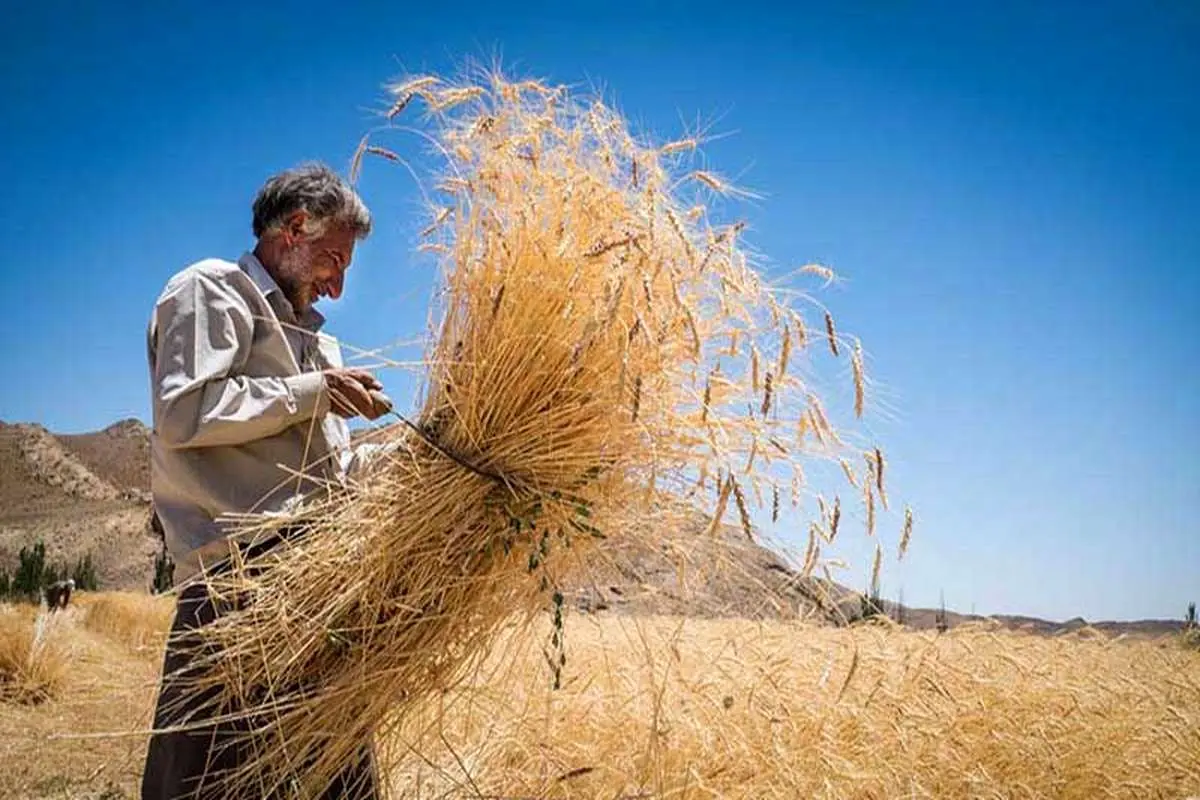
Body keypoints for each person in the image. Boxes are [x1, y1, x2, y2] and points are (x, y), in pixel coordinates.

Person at [141, 163, 390, 799]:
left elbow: (326, 478)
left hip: (313, 592)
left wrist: (411, 458)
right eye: (333, 260)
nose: (336, 286)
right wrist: (315, 392)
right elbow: (184, 412)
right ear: (295, 228)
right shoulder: (213, 291)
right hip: (234, 592)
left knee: (335, 779)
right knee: (211, 784)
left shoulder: (318, 346)